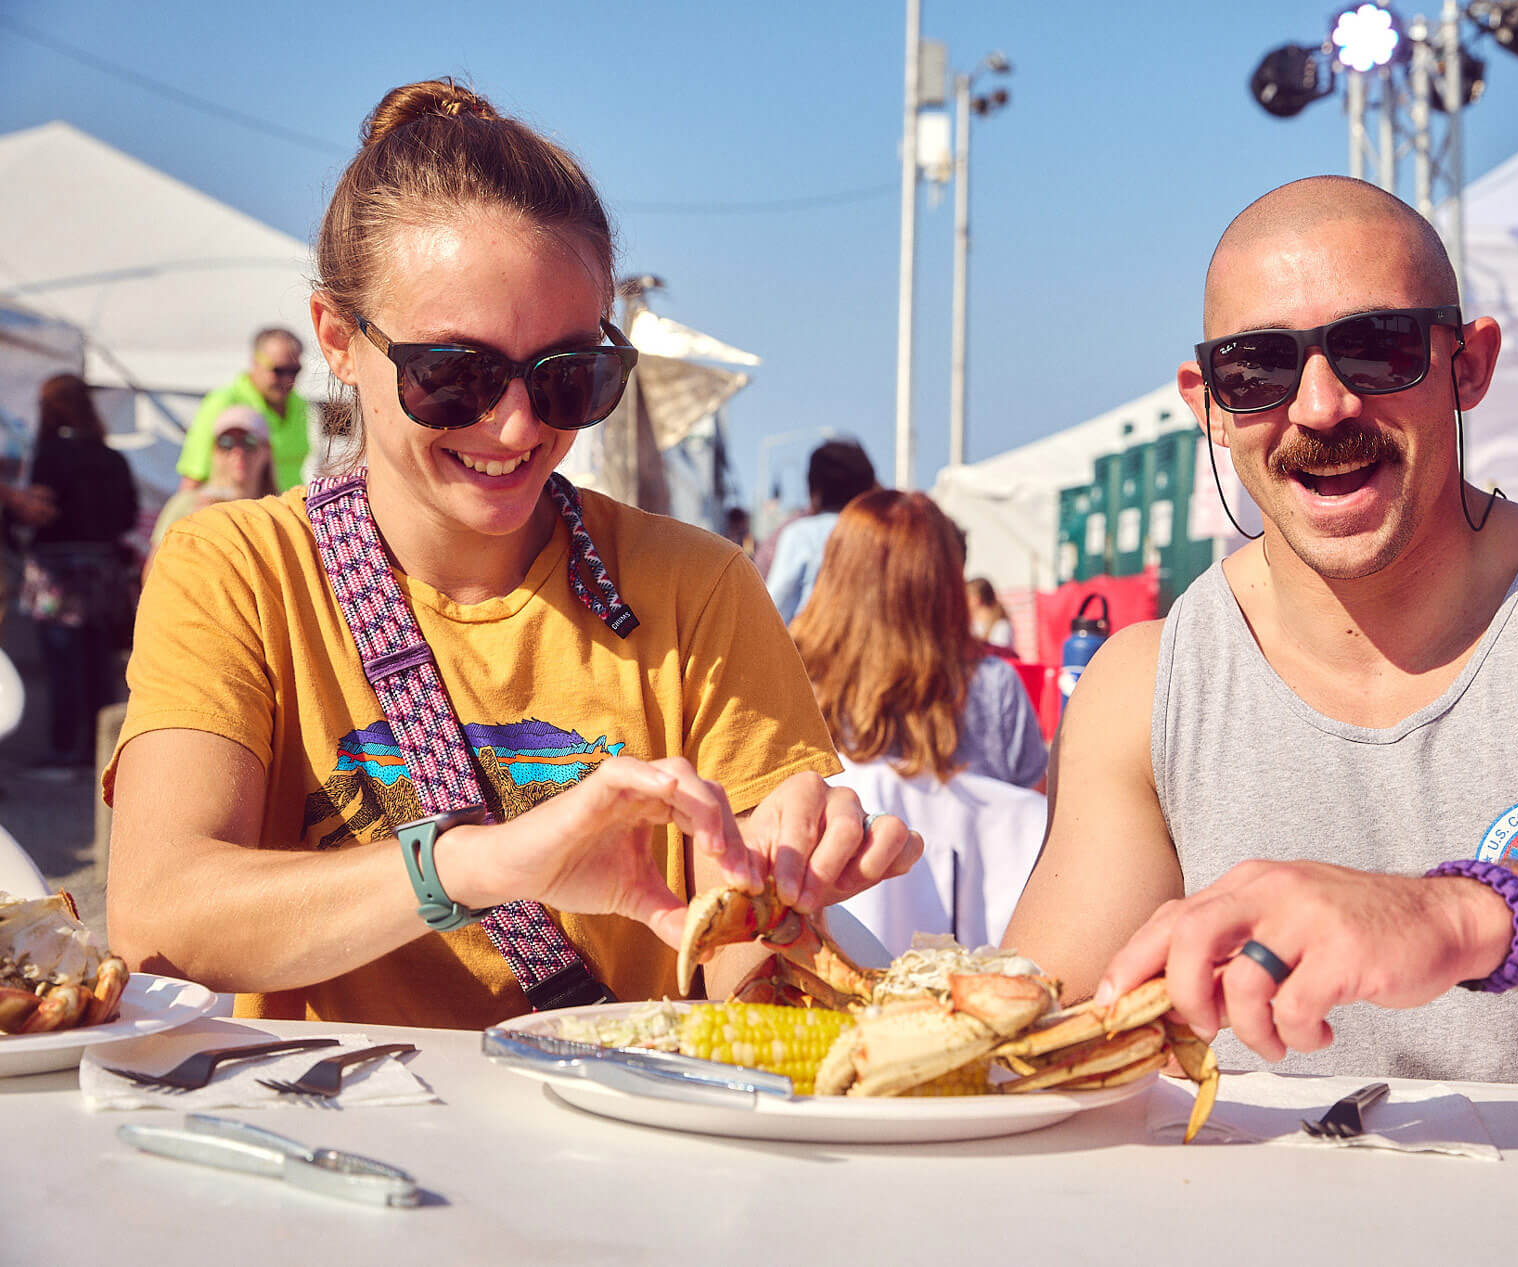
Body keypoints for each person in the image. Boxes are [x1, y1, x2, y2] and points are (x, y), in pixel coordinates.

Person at [104, 79, 919, 1029]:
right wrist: (478, 862)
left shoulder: (698, 587)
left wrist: (787, 910)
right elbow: (160, 915)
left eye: (568, 375)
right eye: (455, 374)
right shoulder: (240, 568)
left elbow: (748, 961)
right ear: (338, 338)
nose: (517, 424)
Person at [1004, 176, 1518, 1093]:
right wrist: (822, 931)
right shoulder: (1147, 682)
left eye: (1377, 348)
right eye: (1259, 369)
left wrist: (1457, 918)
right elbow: (1036, 1035)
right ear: (1208, 402)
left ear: (1468, 365)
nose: (1321, 407)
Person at [791, 490, 1046, 790]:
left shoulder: (794, 679)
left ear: (835, 571)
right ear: (946, 581)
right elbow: (1036, 816)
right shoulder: (995, 687)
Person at [18, 374, 139, 777]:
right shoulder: (111, 457)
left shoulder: (50, 454)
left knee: (63, 662)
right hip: (102, 573)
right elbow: (127, 516)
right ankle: (99, 749)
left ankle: (66, 750)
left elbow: (41, 511)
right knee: (97, 662)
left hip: (57, 574)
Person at [174, 327, 310, 494]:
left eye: (294, 371)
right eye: (278, 370)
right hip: (237, 514)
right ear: (255, 362)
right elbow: (193, 477)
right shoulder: (222, 402)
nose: (288, 379)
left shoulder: (300, 404)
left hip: (290, 512)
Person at [147, 405, 276, 572]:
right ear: (214, 451)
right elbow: (154, 572)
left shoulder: (277, 511)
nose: (238, 452)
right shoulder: (186, 504)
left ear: (266, 450)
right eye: (226, 443)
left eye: (248, 442)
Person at [764, 438, 876, 622]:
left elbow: (772, 609)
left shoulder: (803, 534)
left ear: (813, 489)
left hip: (810, 646)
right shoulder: (880, 534)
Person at [965, 576, 1016, 655]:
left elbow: (1000, 657)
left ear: (976, 599)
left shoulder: (1001, 626)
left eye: (966, 598)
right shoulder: (971, 626)